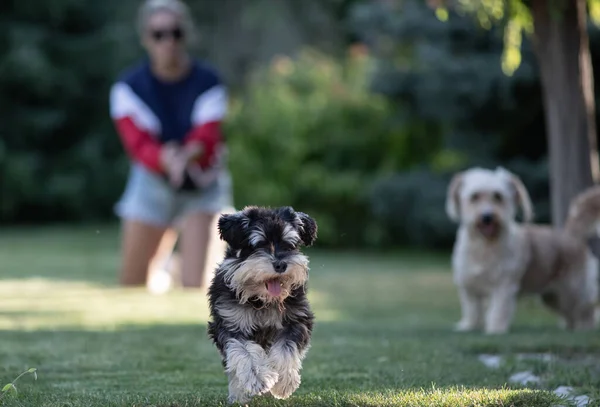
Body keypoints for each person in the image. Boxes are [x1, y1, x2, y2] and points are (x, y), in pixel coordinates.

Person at [109, 0, 232, 290]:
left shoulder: (209, 81)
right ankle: (164, 268)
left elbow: (207, 136)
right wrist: (167, 160)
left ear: (186, 35)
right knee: (132, 283)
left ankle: (177, 268)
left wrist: (184, 157)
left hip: (202, 183)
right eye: (159, 34)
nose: (168, 42)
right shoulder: (128, 87)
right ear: (145, 38)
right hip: (151, 182)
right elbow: (138, 145)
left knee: (198, 286)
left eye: (176, 33)